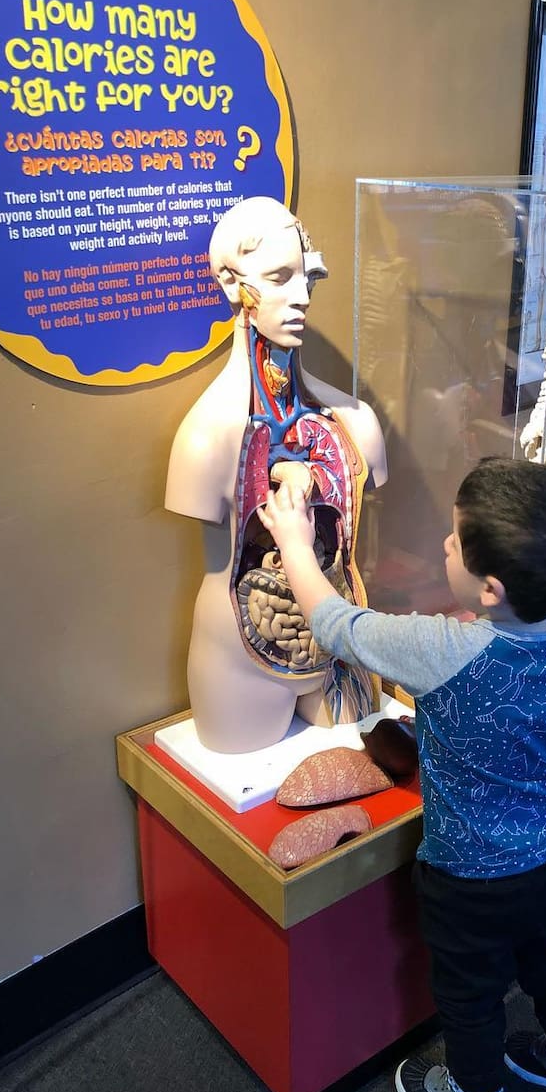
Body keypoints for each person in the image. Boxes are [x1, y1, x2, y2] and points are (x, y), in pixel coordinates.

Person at [258, 456, 546, 1092]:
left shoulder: (438, 649)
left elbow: (336, 625)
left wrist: (292, 542)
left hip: (468, 878)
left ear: (489, 589)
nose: (445, 544)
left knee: (470, 993)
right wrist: (533, 757)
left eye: (455, 539)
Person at [165, 197, 387, 753]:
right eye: (280, 278)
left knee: (367, 775)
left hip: (341, 646)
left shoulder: (355, 422)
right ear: (231, 283)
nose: (303, 296)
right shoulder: (206, 439)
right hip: (238, 660)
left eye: (307, 277)